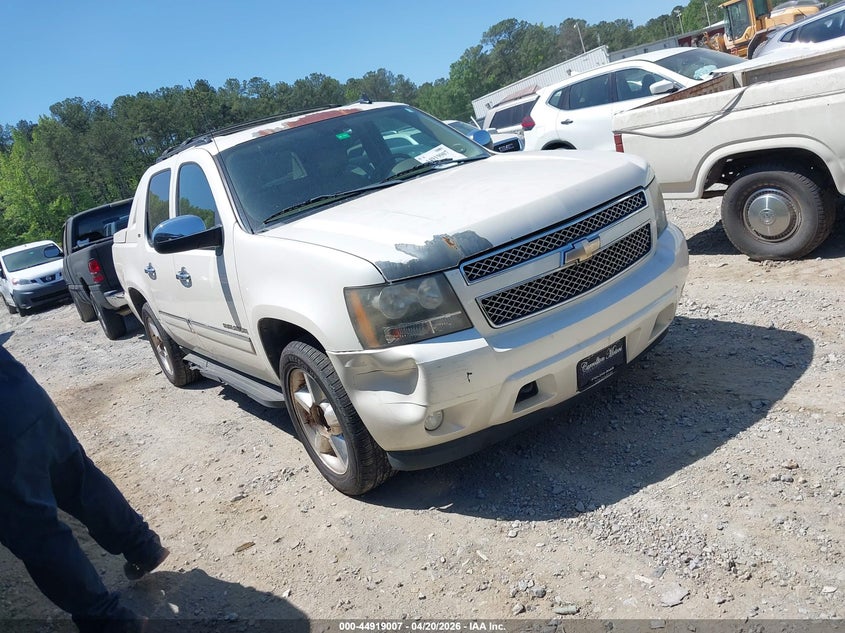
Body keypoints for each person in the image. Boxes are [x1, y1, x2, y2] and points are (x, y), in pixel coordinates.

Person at [0, 344, 169, 633]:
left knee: (35, 532)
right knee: (77, 476)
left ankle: (110, 623)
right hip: (24, 396)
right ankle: (143, 546)